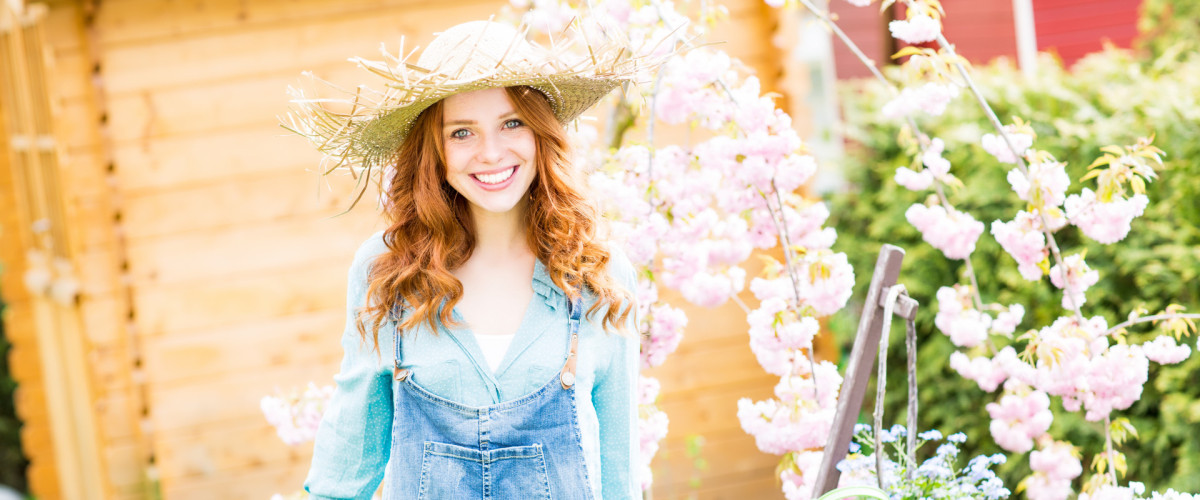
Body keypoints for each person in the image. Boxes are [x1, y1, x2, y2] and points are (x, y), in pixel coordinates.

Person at [285, 19, 650, 500]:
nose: (491, 153)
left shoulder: (597, 274)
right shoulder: (387, 272)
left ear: (541, 132)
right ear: (432, 150)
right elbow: (344, 468)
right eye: (462, 133)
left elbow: (619, 474)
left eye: (512, 123)